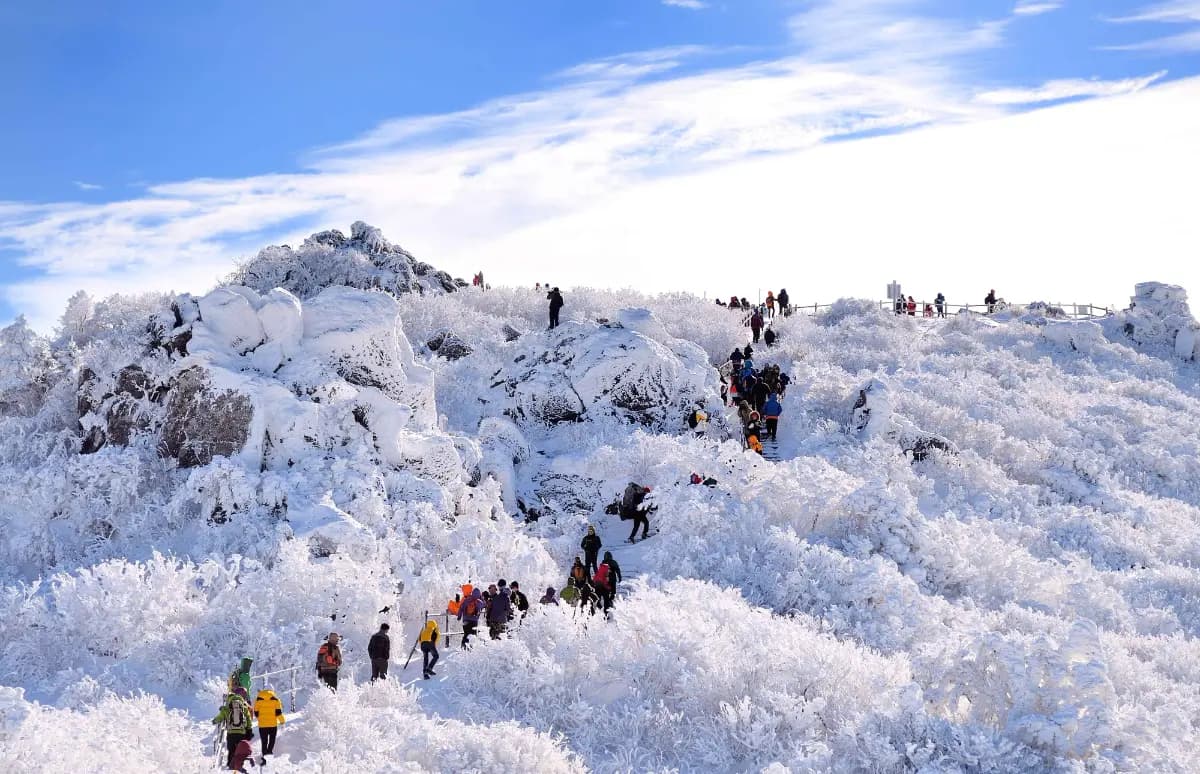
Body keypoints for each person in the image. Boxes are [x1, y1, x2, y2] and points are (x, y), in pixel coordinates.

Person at [212, 687, 254, 769]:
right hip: (242, 732)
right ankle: (239, 766)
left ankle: (230, 766)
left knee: (231, 750)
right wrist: (249, 730)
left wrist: (214, 721)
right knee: (239, 750)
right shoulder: (244, 707)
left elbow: (221, 717)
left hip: (231, 733)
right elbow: (248, 719)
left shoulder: (228, 707)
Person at [253, 688, 284, 757]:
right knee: (272, 739)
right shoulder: (276, 700)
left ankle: (264, 754)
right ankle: (269, 752)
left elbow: (256, 713)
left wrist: (261, 719)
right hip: (273, 725)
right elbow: (278, 713)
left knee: (264, 741)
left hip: (262, 725)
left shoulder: (258, 700)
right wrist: (282, 721)